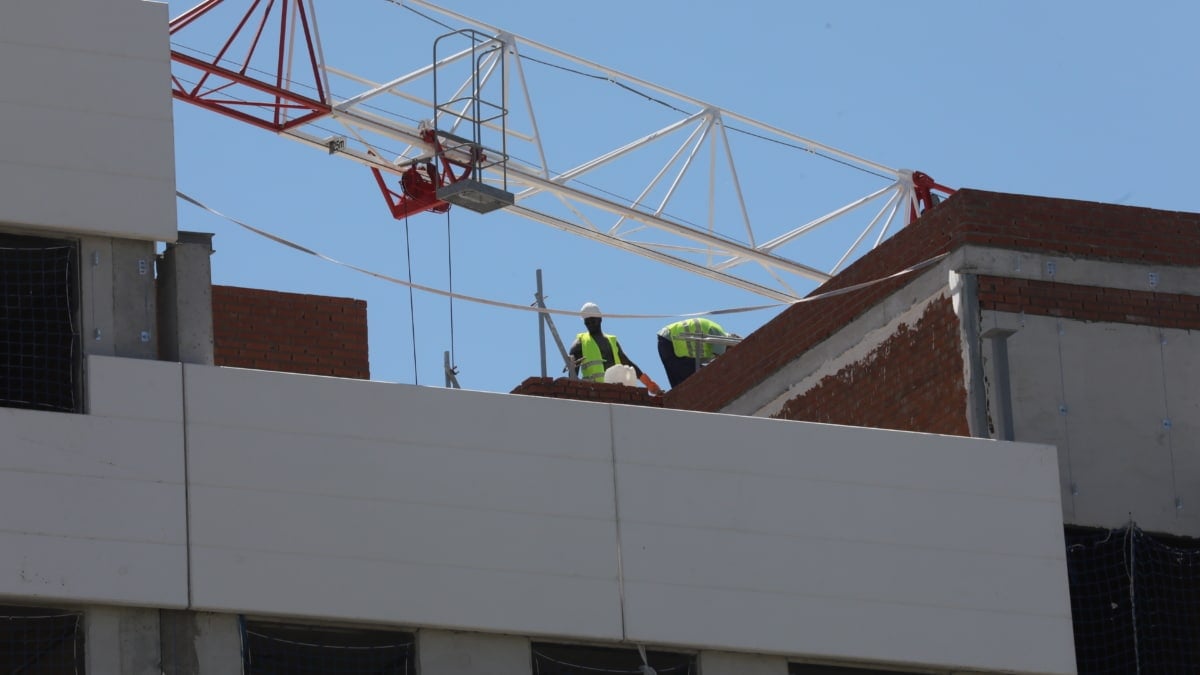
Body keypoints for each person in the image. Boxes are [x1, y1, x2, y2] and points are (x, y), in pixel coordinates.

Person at [568, 302, 663, 395]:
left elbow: (626, 362)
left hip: (617, 391)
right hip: (594, 392)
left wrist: (648, 383)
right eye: (587, 322)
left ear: (600, 319)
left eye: (592, 320)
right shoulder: (580, 343)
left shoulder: (612, 341)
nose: (590, 324)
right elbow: (572, 374)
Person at [657, 317, 734, 388]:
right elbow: (719, 363)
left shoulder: (711, 350)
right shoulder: (721, 336)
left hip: (666, 340)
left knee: (679, 384)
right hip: (672, 340)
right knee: (694, 381)